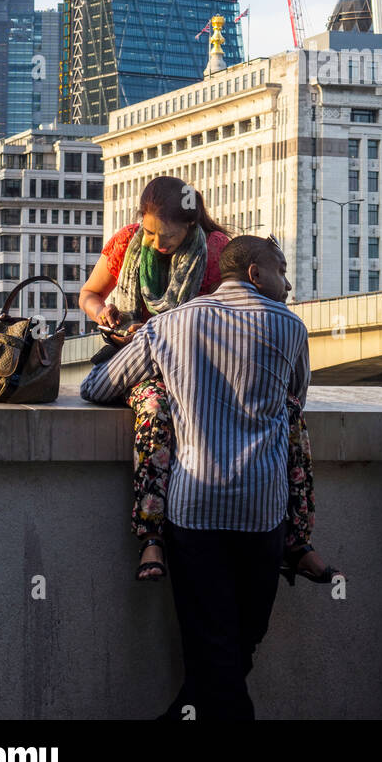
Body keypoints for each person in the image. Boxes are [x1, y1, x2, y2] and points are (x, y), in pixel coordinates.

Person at [80, 235, 312, 720]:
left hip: (194, 509)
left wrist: (164, 388)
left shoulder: (171, 324)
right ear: (254, 273)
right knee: (240, 643)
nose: (287, 284)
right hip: (262, 509)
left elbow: (97, 386)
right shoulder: (290, 327)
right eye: (281, 271)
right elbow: (297, 398)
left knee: (211, 646)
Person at [79, 177, 335, 585]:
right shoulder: (126, 242)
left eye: (165, 235)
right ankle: (151, 534)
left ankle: (297, 538)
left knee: (289, 415)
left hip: (194, 367)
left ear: (190, 223)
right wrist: (103, 313)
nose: (154, 243)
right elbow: (90, 293)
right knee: (154, 407)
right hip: (140, 359)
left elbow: (230, 317)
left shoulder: (216, 252)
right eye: (148, 232)